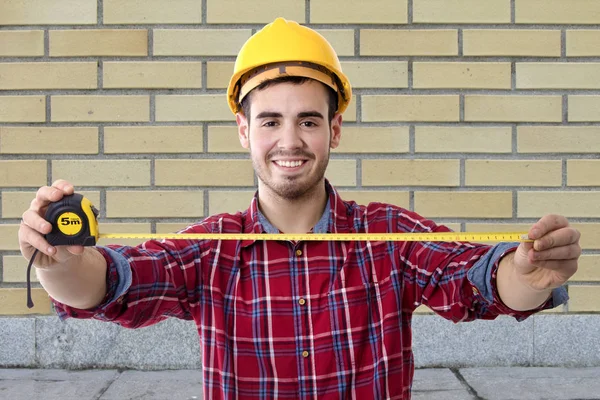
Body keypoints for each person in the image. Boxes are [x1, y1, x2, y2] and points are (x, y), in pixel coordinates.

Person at [19, 18, 581, 400]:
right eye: (270, 121)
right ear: (243, 130)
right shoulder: (211, 246)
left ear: (334, 128)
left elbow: (474, 279)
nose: (290, 141)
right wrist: (58, 261)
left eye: (308, 120)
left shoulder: (387, 234)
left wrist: (525, 275)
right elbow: (113, 283)